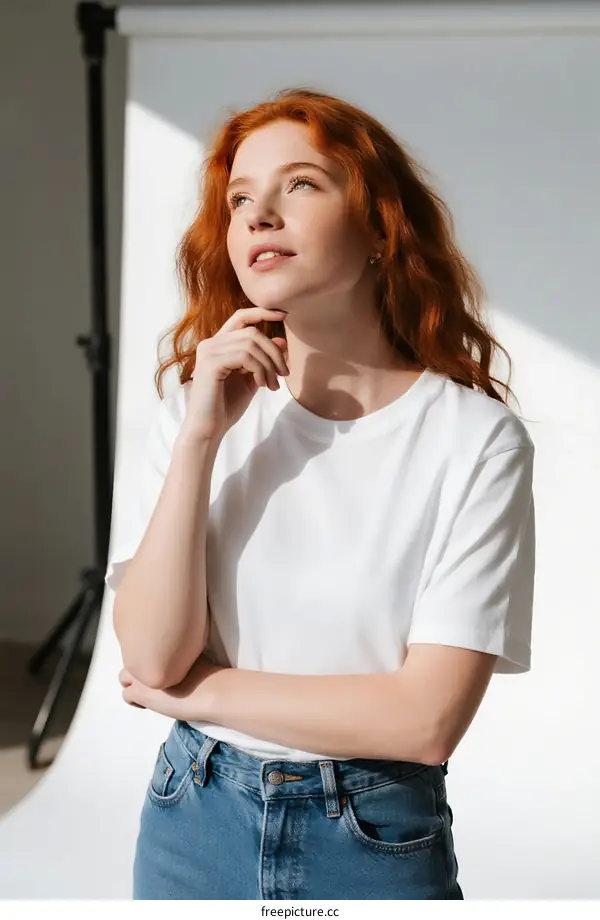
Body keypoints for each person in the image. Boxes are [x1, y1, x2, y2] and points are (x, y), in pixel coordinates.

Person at [105, 87, 536, 901]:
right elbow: (152, 654)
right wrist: (201, 437)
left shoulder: (475, 441)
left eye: (300, 185)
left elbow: (423, 723)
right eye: (239, 199)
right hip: (189, 815)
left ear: (380, 228)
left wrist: (194, 693)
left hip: (370, 835)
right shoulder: (193, 412)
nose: (259, 214)